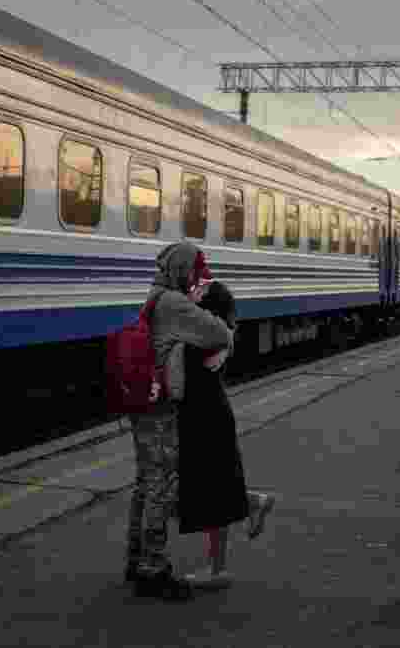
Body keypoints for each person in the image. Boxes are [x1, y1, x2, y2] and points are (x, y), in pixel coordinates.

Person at [125, 242, 233, 600]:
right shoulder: (174, 303)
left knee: (145, 483)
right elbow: (219, 333)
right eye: (193, 271)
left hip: (142, 403)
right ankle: (153, 569)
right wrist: (207, 305)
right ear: (182, 270)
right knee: (159, 485)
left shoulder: (156, 294)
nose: (195, 278)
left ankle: (136, 558)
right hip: (158, 409)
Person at [177, 280, 276, 588]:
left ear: (208, 304)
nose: (192, 292)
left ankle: (217, 570)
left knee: (212, 491)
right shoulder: (219, 332)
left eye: (198, 292)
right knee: (213, 487)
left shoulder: (204, 337)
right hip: (211, 413)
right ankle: (252, 502)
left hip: (205, 417)